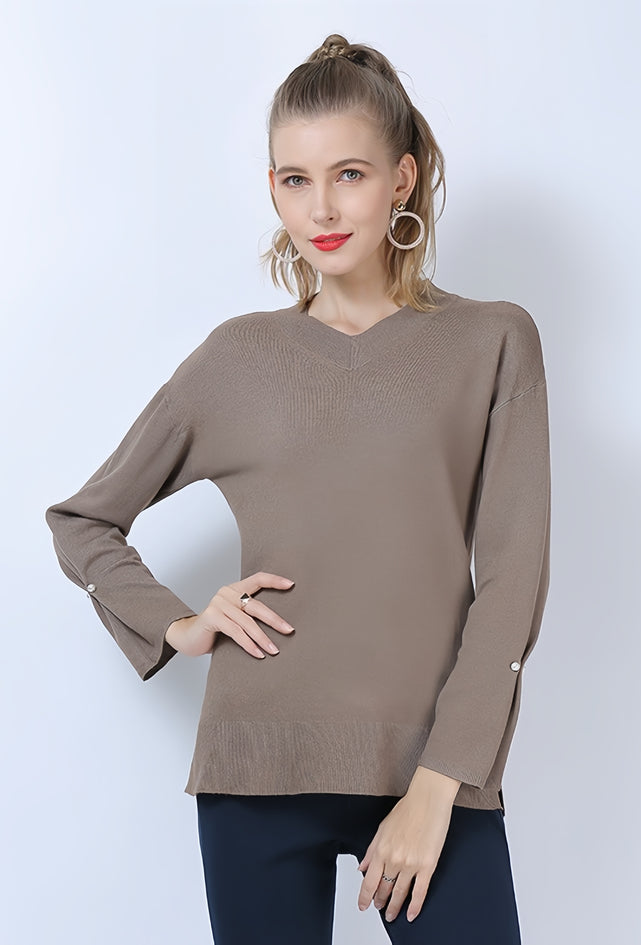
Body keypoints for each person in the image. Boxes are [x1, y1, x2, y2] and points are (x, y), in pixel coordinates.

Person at [45, 32, 551, 945]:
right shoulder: (237, 358)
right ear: (273, 188)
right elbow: (83, 520)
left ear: (401, 180)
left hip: (432, 770)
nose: (320, 207)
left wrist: (438, 786)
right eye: (294, 179)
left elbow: (513, 586)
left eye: (349, 174)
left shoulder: (493, 341)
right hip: (255, 770)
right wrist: (177, 622)